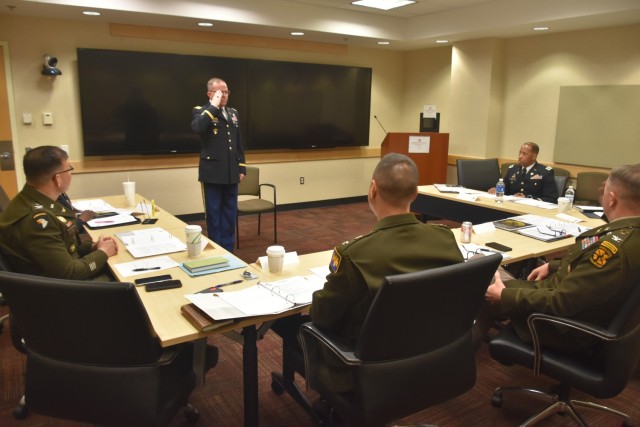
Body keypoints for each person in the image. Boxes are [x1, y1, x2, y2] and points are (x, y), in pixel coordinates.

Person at [273, 153, 465, 394]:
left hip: (359, 363)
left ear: (373, 189)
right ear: (415, 193)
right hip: (428, 355)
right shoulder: (444, 238)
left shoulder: (356, 254)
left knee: (286, 322)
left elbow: (322, 317)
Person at [477, 164, 640, 352]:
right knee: (481, 269)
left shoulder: (612, 250)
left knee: (473, 281)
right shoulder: (622, 235)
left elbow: (562, 302)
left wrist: (505, 296)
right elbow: (588, 261)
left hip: (559, 326)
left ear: (611, 200)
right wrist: (553, 266)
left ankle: (452, 366)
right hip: (568, 303)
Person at [0, 145, 118, 280]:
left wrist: (93, 247)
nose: (71, 174)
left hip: (51, 280)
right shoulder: (37, 220)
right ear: (58, 178)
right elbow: (70, 273)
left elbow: (65, 248)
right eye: (69, 169)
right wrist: (103, 252)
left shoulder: (29, 199)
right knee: (129, 285)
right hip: (56, 292)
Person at [191, 77, 246, 252]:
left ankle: (228, 250)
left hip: (231, 173)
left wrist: (241, 167)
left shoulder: (233, 112)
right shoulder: (201, 111)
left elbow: (238, 143)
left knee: (230, 215)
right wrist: (213, 107)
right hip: (212, 173)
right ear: (209, 94)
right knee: (214, 216)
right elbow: (198, 127)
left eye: (226, 92)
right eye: (219, 92)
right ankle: (217, 249)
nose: (224, 95)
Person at [489, 142, 558, 203]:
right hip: (511, 205)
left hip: (532, 209)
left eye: (524, 154)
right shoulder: (512, 169)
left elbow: (551, 198)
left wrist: (527, 197)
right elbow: (505, 189)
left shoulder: (545, 172)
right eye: (520, 153)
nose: (520, 156)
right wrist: (496, 190)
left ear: (534, 156)